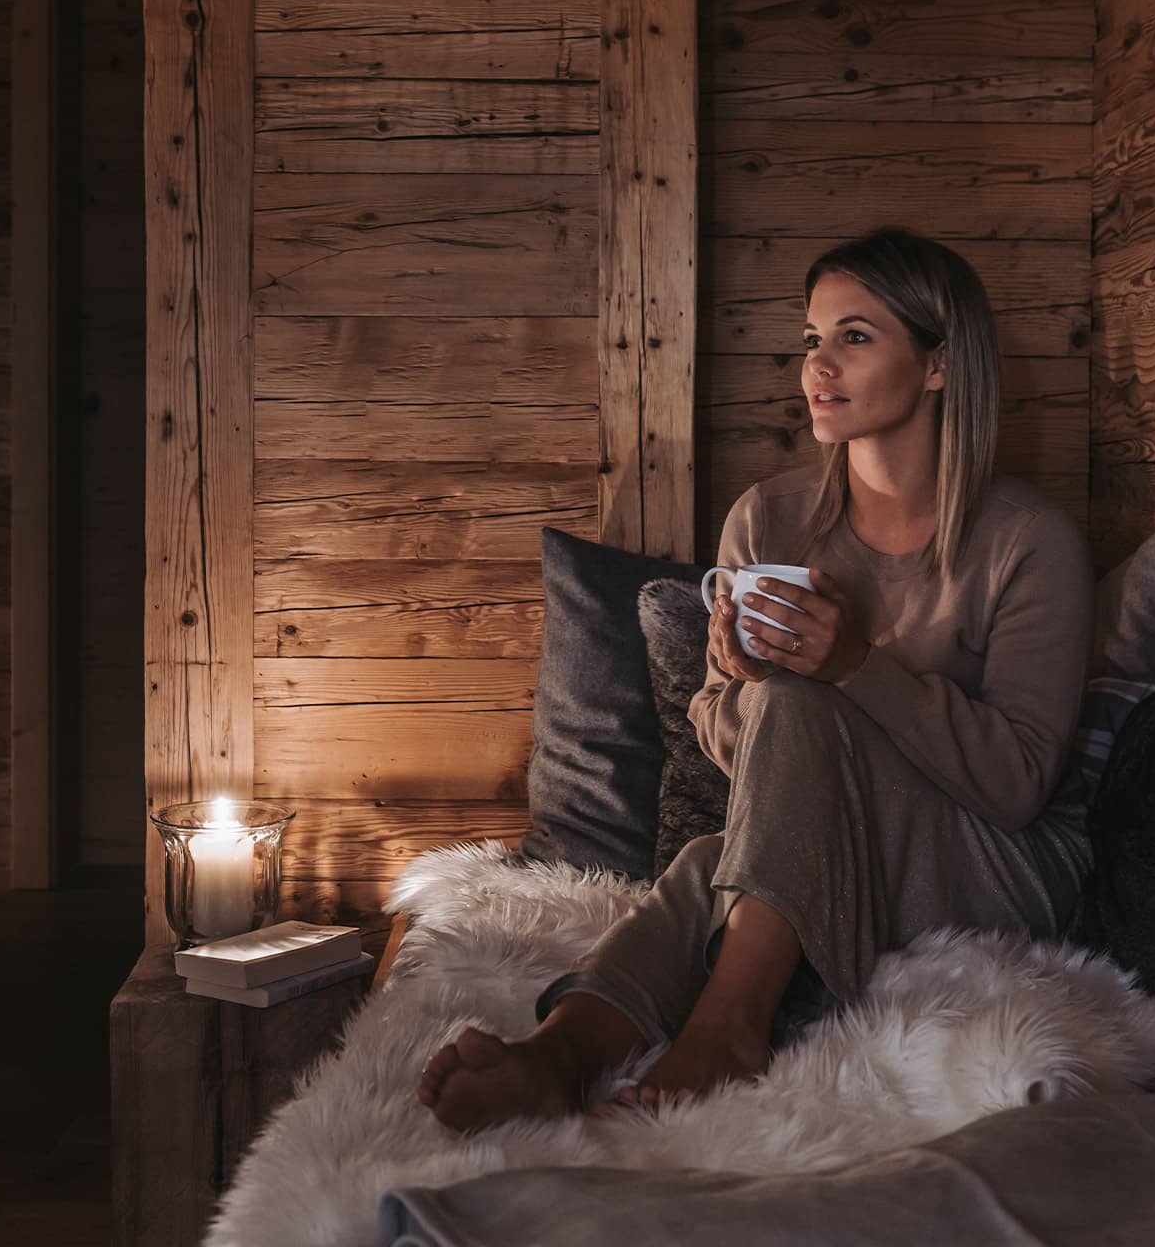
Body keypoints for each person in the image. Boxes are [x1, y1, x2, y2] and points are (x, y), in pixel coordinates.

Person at [417, 228, 1095, 1131]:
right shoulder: (769, 521)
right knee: (713, 858)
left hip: (989, 867)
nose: (818, 365)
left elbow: (1017, 788)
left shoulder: (1027, 541)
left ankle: (729, 1025)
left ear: (938, 363)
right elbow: (751, 762)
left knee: (750, 801)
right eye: (812, 340)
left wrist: (855, 669)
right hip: (838, 855)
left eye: (855, 337)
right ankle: (563, 1052)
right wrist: (735, 687)